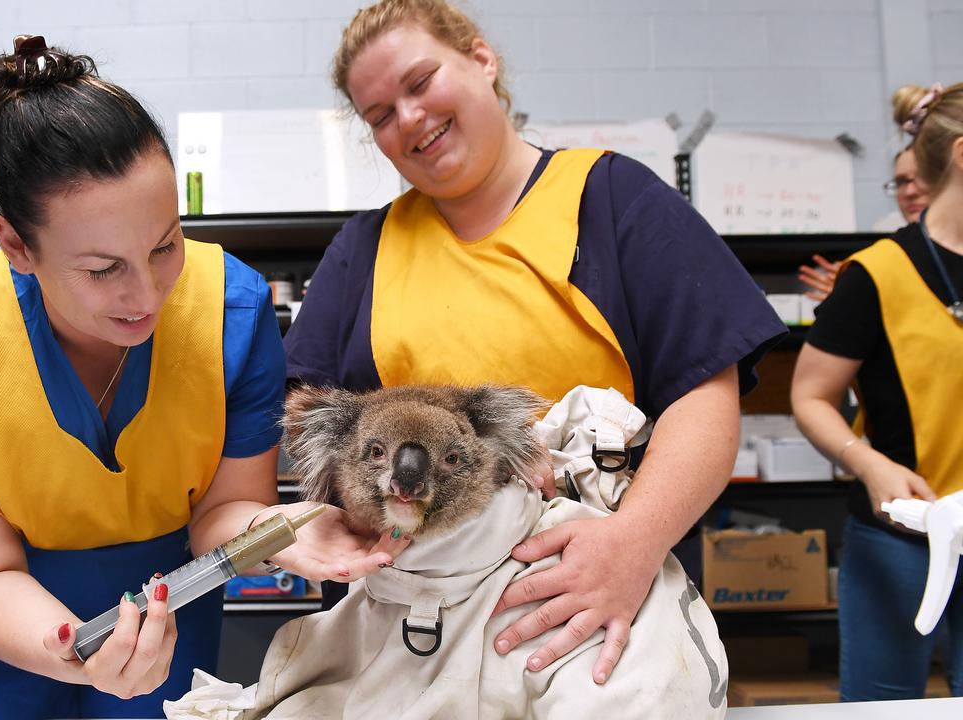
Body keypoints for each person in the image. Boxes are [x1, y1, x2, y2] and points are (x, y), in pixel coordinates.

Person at [0, 36, 403, 719]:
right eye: (103, 269)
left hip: (166, 599)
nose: (148, 293)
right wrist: (75, 649)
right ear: (16, 245)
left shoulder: (233, 312)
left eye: (166, 246)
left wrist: (279, 530)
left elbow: (223, 516)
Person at [285, 0, 785, 686]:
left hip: (598, 572)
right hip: (420, 604)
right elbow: (316, 430)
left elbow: (705, 398)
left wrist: (632, 544)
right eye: (377, 115)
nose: (407, 119)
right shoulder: (362, 251)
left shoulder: (611, 198)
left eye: (420, 82)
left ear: (482, 60)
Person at [791, 82, 963, 701]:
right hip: (900, 537)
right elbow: (810, 395)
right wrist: (868, 464)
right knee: (884, 705)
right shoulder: (875, 273)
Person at [798, 147, 930, 300]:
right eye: (901, 182)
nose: (909, 192)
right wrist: (853, 292)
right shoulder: (885, 237)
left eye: (923, 178)